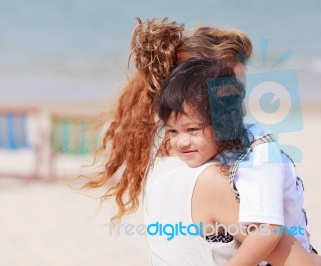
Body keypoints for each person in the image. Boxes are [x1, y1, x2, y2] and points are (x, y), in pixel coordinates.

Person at [84, 18, 320, 264]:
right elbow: (286, 251)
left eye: (240, 91)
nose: (237, 106)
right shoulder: (213, 174)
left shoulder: (162, 147)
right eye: (226, 92)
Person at [155, 57, 320, 265]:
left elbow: (269, 231)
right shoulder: (215, 146)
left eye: (192, 130)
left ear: (223, 121)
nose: (181, 142)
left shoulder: (257, 157)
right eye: (172, 131)